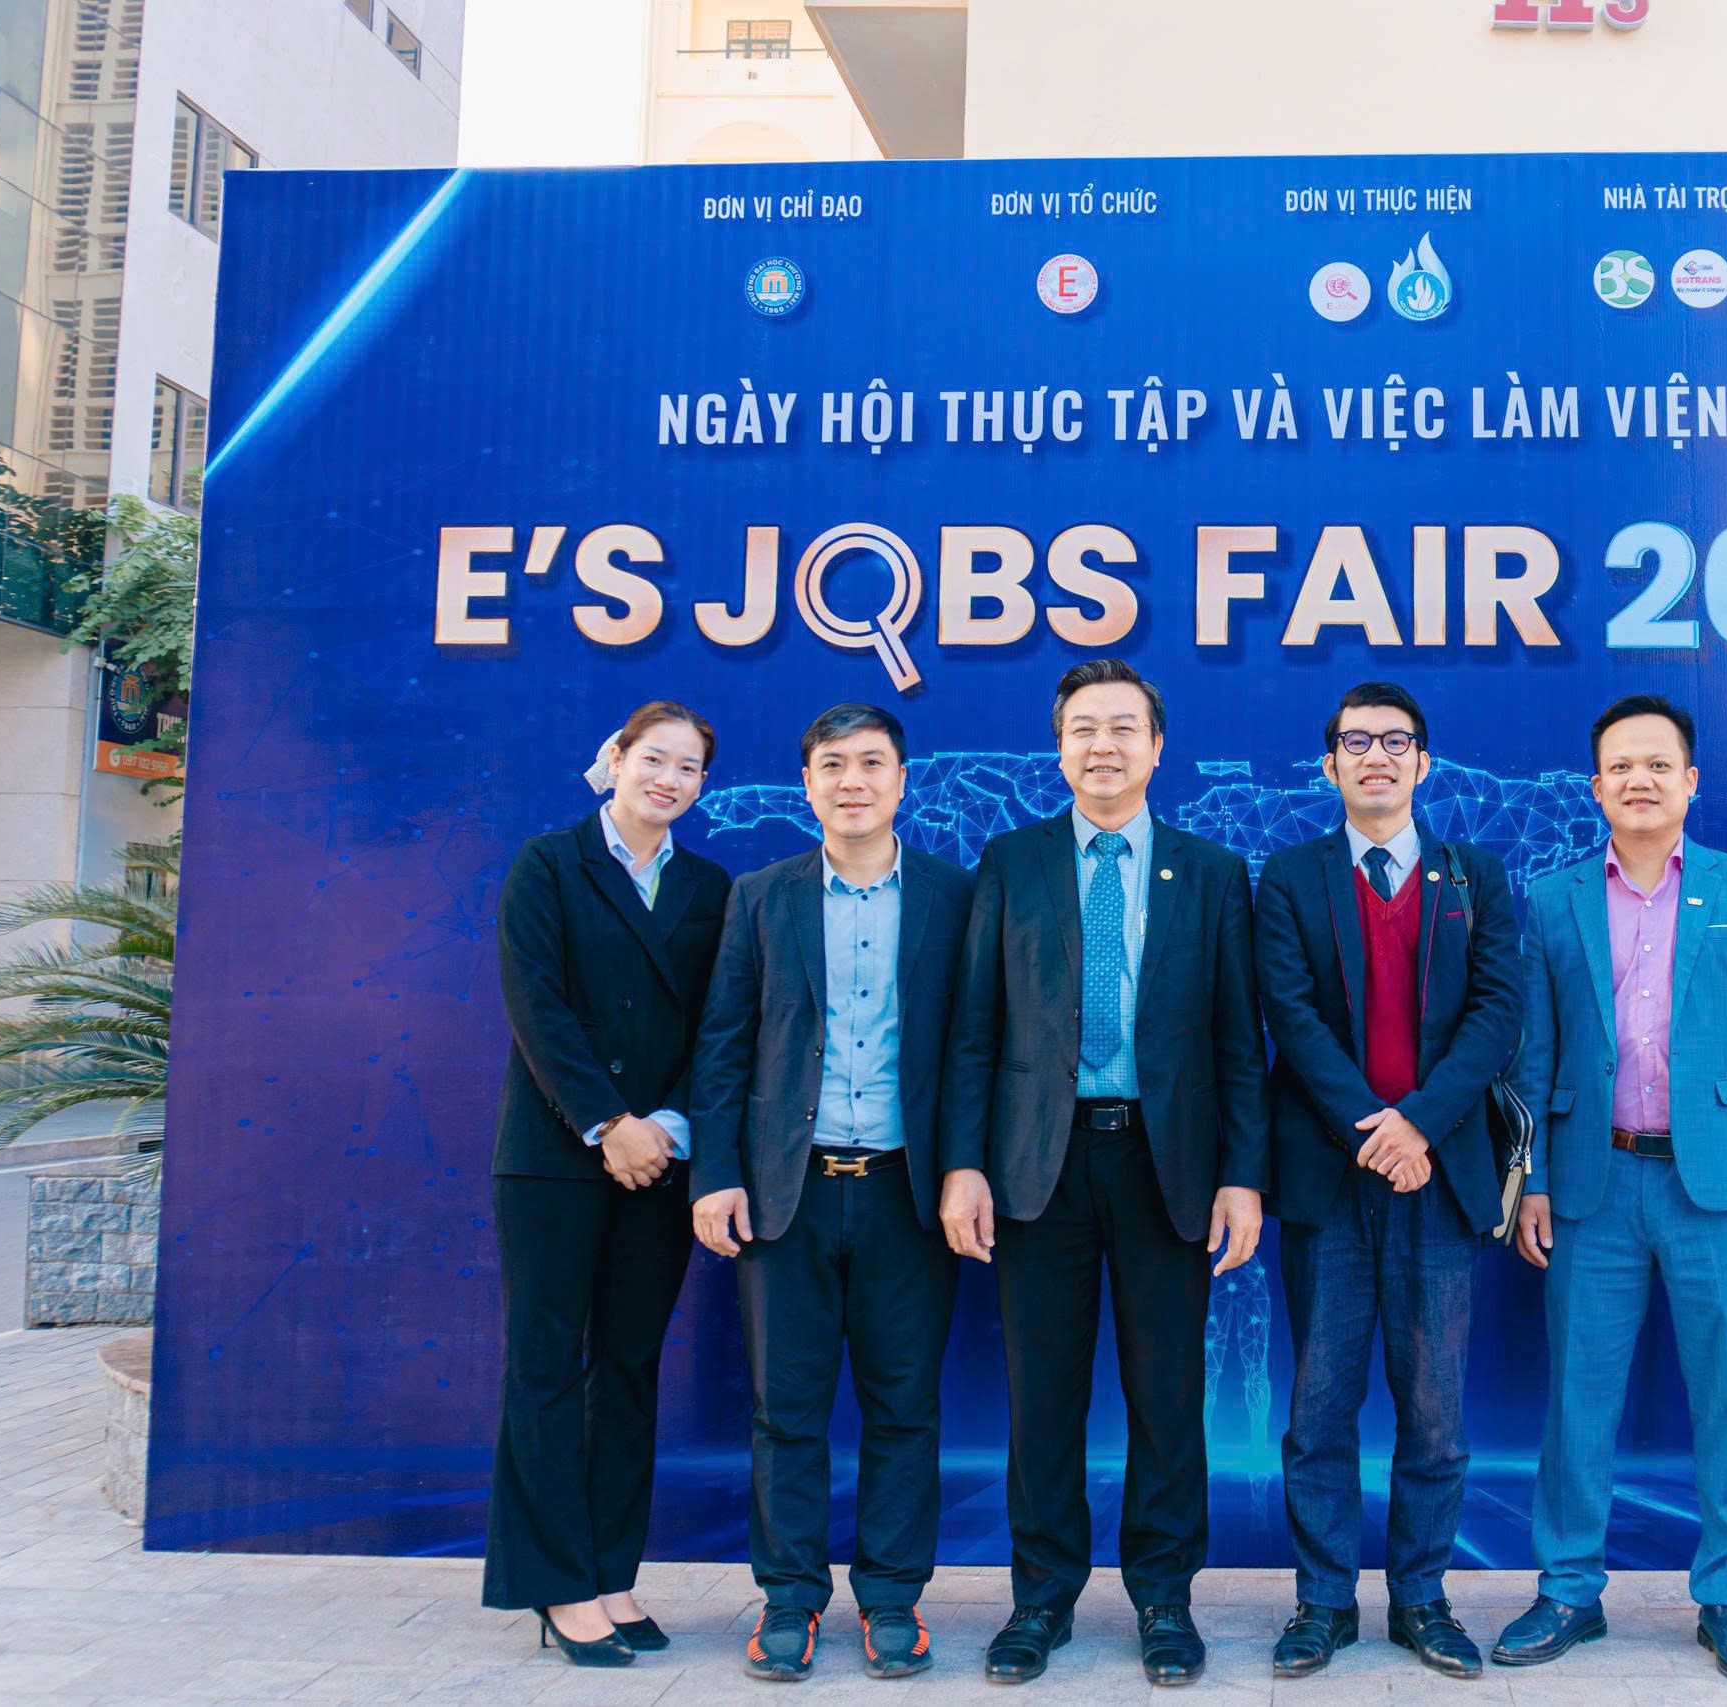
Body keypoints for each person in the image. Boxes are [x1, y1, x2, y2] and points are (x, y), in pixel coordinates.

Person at [939, 658, 1269, 1687]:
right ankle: (1041, 1598)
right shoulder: (1012, 860)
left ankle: (1164, 1598)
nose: (1104, 746)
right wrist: (963, 1164)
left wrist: (1242, 1175)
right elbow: (973, 1032)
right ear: (1058, 747)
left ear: (1157, 747)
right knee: (1043, 1395)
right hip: (1037, 1165)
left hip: (1168, 1165)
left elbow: (1237, 1042)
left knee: (1167, 1395)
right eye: (1084, 728)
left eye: (1124, 727)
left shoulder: (1211, 871)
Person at [1493, 694, 1727, 1687]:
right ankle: (1567, 1588)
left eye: (1658, 764)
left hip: (1718, 1185)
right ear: (1595, 786)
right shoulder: (1552, 897)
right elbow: (1534, 1054)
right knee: (1578, 1399)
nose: (1640, 779)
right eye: (1621, 766)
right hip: (1593, 1183)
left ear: (1690, 781)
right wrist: (1533, 1181)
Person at [686, 704, 976, 1683]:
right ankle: (789, 1598)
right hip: (787, 1194)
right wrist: (716, 1174)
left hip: (908, 1195)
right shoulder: (760, 897)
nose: (853, 781)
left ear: (902, 780)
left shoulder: (952, 895)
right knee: (786, 1410)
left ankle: (892, 1597)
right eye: (833, 765)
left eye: (871, 763)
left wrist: (965, 1168)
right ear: (807, 783)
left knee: (905, 1408)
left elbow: (974, 1048)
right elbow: (723, 1046)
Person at [1252, 683, 1523, 1680]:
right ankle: (1323, 1602)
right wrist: (1376, 1130)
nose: (1376, 755)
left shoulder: (1474, 875)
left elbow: (1497, 1011)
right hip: (1328, 1181)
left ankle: (1421, 1599)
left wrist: (1420, 1124)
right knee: (1319, 1410)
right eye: (1355, 741)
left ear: (1423, 762)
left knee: (1436, 1414)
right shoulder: (1290, 876)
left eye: (1395, 740)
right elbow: (1290, 1016)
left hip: (1438, 1178)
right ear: (1329, 764)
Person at [482, 703, 731, 1666]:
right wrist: (607, 1123)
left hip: (660, 1161)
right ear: (616, 759)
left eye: (688, 767)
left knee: (628, 1368)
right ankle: (558, 1585)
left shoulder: (709, 885)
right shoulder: (548, 864)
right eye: (653, 758)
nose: (668, 778)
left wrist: (665, 1126)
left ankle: (612, 1573)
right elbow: (536, 1004)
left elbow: (722, 1023)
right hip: (554, 1156)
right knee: (545, 1366)